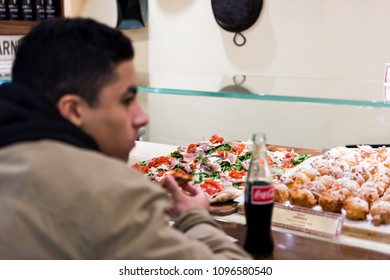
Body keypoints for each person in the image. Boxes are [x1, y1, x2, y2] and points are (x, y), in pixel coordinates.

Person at [0, 18, 251, 260]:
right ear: (74, 111)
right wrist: (195, 218)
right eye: (127, 100)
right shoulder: (108, 194)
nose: (142, 117)